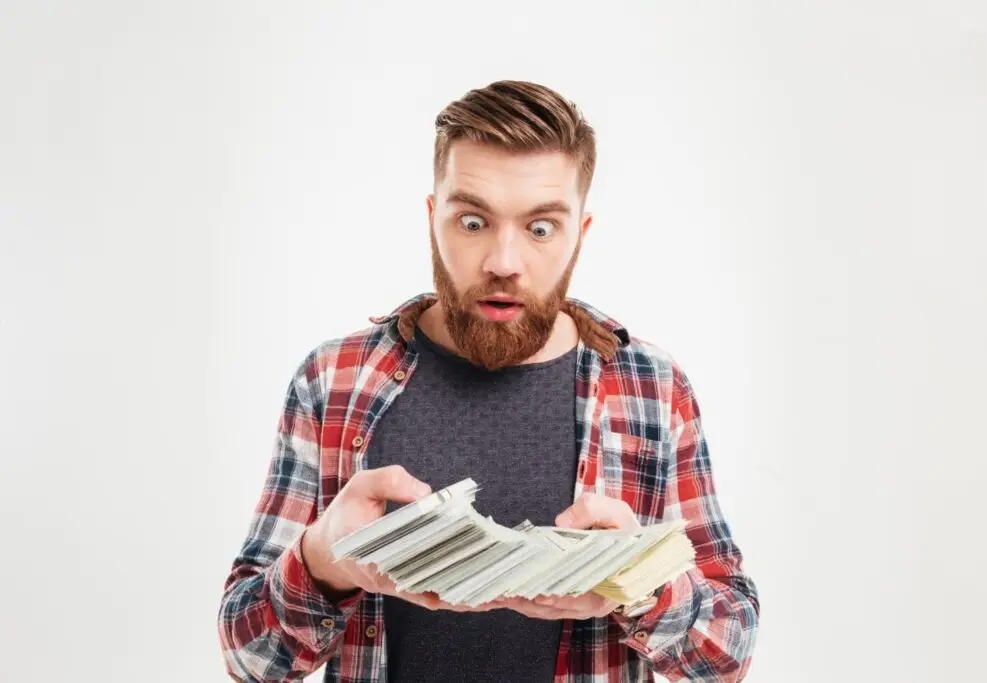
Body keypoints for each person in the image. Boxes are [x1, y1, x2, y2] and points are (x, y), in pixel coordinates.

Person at [217, 80, 759, 683]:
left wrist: (642, 587)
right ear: (433, 218)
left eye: (541, 228)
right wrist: (322, 560)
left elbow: (727, 655)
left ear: (581, 230)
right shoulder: (333, 381)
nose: (504, 260)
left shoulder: (653, 391)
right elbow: (251, 659)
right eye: (473, 221)